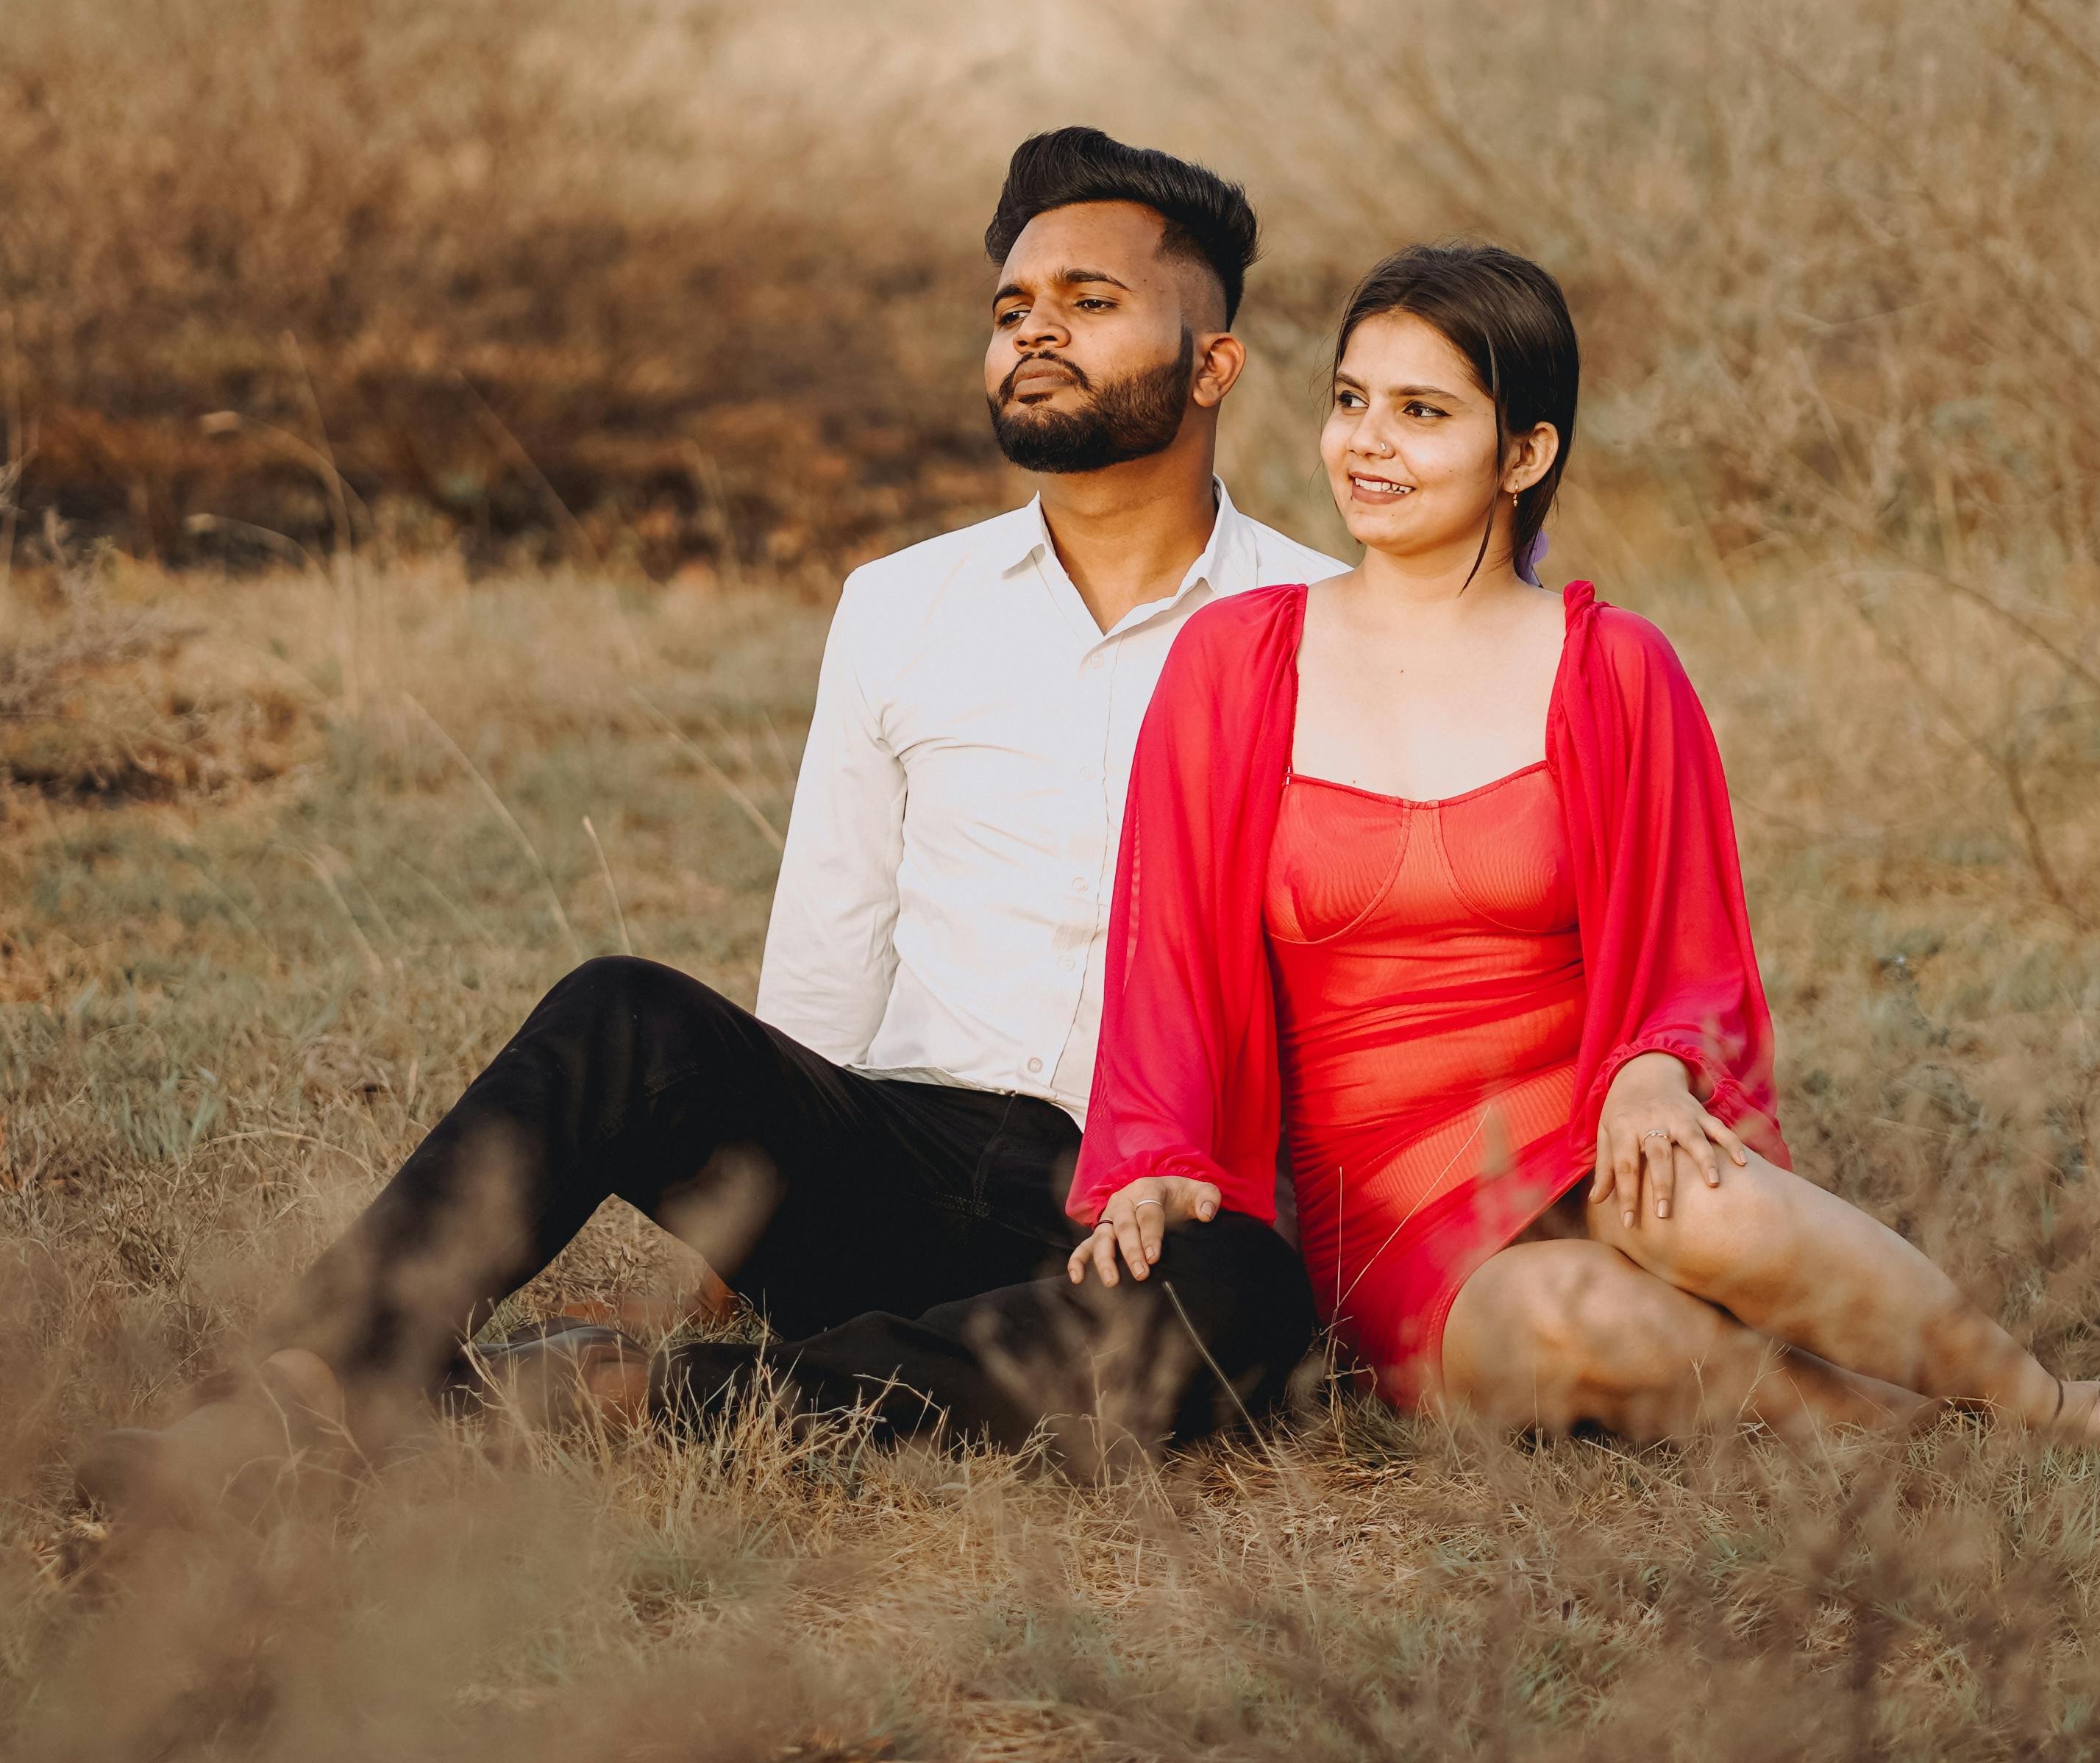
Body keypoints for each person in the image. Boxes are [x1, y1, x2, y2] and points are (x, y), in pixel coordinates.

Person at [85, 129, 1341, 1519]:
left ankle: (629, 1398)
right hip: (895, 1155)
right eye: (1010, 310)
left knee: (1252, 1296)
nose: (1034, 333)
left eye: (1090, 304)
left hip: (1143, 1215)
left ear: (1214, 363)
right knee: (622, 1011)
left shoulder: (1326, 626)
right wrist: (754, 1215)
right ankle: (310, 1388)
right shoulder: (904, 605)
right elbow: (836, 926)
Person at [1068, 241, 2100, 1457]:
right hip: (1392, 1209)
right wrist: (1156, 1159)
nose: (1368, 443)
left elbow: (1693, 954)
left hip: (1589, 1120)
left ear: (1523, 453)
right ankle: (1942, 1432)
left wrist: (1653, 1067)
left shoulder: (1615, 667)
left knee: (1707, 1214)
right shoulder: (1238, 662)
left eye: (1423, 413)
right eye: (1351, 400)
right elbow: (1166, 960)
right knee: (1573, 1318)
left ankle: (2061, 1410)